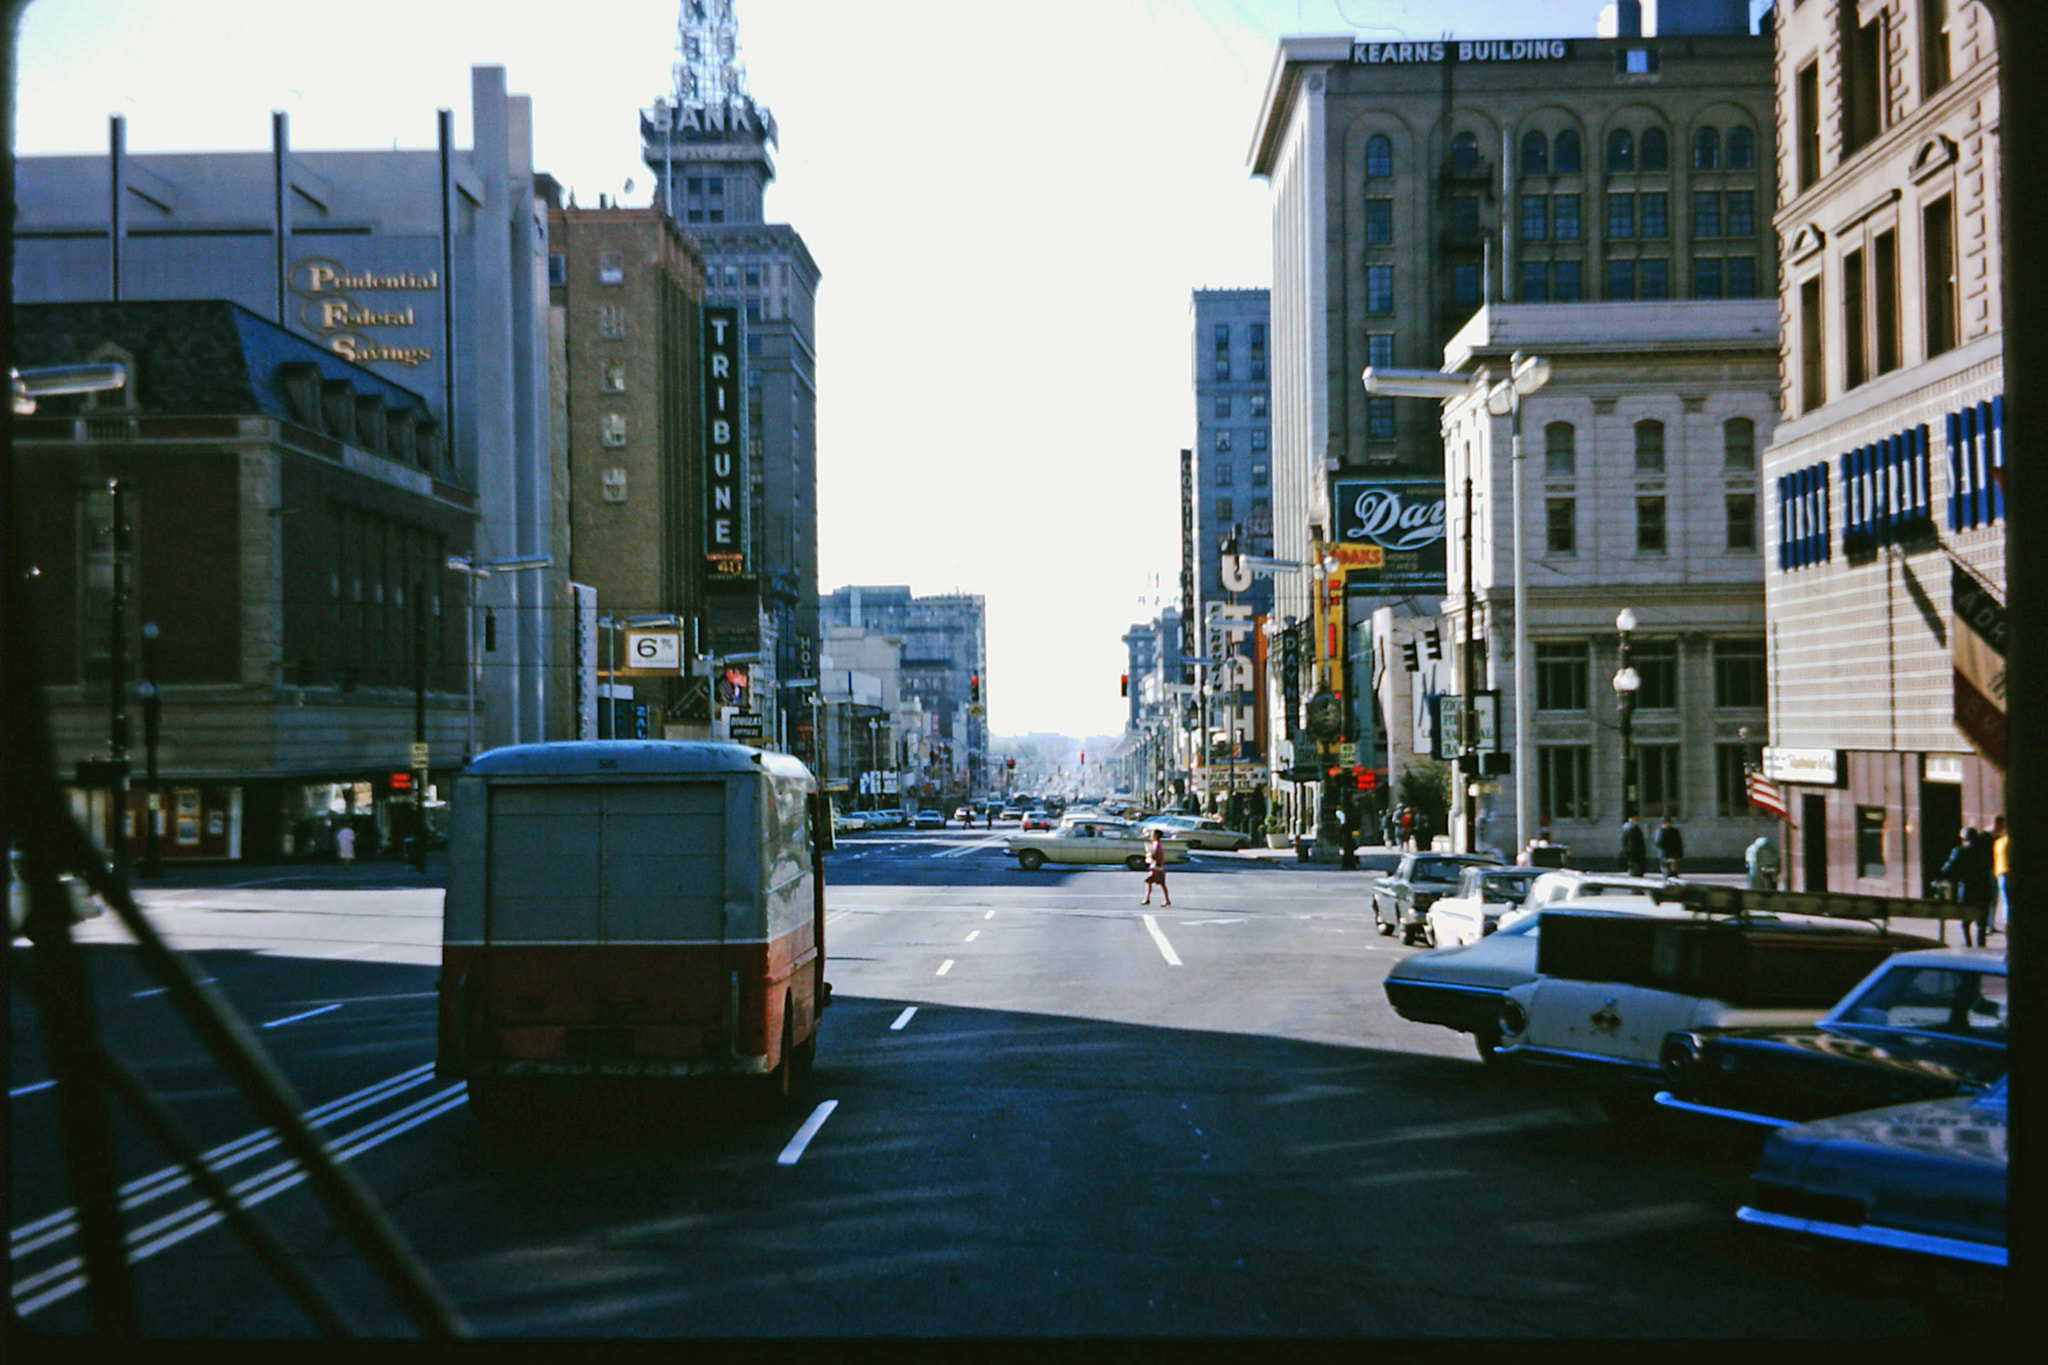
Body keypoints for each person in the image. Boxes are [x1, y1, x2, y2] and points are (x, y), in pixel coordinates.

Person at [1940, 827, 1995, 947]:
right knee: (1981, 923)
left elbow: (1948, 869)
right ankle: (1981, 945)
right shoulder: (1985, 851)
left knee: (1966, 922)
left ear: (1964, 838)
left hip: (1968, 890)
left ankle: (1968, 944)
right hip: (1984, 890)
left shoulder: (1960, 851)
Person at [1140, 828, 1171, 906]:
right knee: (1151, 882)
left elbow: (1157, 854)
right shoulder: (1154, 842)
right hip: (1155, 865)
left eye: (1153, 834)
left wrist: (1154, 859)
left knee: (1159, 883)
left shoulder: (1157, 843)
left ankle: (1166, 900)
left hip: (1157, 866)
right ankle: (1148, 898)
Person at [1991, 815, 2008, 939]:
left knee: (2004, 899)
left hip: (2000, 872)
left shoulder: (1998, 842)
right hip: (2008, 872)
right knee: (2008, 900)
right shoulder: (2008, 841)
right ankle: (2008, 922)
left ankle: (2006, 922)